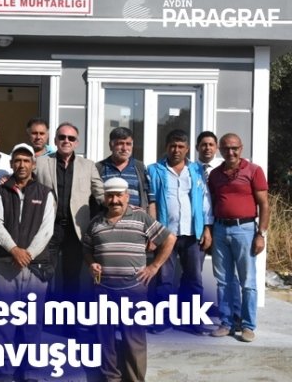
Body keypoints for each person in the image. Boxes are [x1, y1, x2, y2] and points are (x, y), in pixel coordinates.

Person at [83, 177, 175, 382]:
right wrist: (91, 263)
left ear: (127, 196)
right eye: (110, 196)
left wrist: (154, 266)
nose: (114, 200)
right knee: (105, 339)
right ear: (105, 198)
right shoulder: (96, 222)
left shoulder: (140, 217)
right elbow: (87, 248)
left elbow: (169, 239)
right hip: (103, 289)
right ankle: (111, 378)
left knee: (134, 340)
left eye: (118, 195)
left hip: (133, 289)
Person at [0, 143, 55, 382]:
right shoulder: (1, 191)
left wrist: (28, 254)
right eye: (17, 160)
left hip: (35, 266)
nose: (22, 165)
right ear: (11, 163)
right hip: (6, 263)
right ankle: (5, 370)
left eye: (26, 160)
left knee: (32, 321)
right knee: (4, 320)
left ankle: (30, 370)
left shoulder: (45, 193)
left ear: (33, 164)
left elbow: (47, 229)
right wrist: (14, 250)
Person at [147, 129, 213, 335]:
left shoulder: (196, 170)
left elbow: (205, 201)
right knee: (163, 279)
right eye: (173, 146)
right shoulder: (155, 170)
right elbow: (151, 202)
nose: (176, 150)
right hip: (166, 234)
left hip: (193, 234)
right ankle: (162, 319)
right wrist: (153, 233)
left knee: (194, 280)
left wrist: (207, 228)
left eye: (181, 146)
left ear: (187, 149)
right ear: (166, 147)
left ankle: (192, 319)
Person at [208, 133, 269, 343]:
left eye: (234, 148)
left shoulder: (253, 170)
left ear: (241, 148)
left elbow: (264, 204)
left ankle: (248, 325)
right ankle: (227, 322)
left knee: (248, 281)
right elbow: (213, 202)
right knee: (223, 281)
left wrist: (261, 234)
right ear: (220, 150)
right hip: (220, 229)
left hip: (245, 229)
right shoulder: (215, 174)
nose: (230, 152)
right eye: (226, 148)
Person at [35, 122, 104, 299]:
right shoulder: (40, 163)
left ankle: (69, 314)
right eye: (62, 137)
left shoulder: (88, 166)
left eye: (71, 138)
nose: (66, 141)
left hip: (76, 230)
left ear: (77, 142)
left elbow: (101, 194)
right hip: (48, 227)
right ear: (55, 140)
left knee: (72, 276)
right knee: (44, 274)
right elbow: (25, 183)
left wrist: (123, 206)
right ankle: (43, 312)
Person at [196, 131, 242, 330]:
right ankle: (198, 313)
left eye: (211, 144)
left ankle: (236, 314)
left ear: (216, 148)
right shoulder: (191, 169)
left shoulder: (224, 170)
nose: (207, 148)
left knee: (230, 274)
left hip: (223, 225)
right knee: (198, 272)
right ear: (197, 147)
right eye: (203, 144)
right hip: (200, 227)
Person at [96, 127, 149, 209]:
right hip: (107, 216)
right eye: (120, 143)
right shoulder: (99, 168)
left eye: (128, 144)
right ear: (111, 145)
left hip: (135, 217)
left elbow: (149, 199)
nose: (124, 148)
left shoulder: (140, 167)